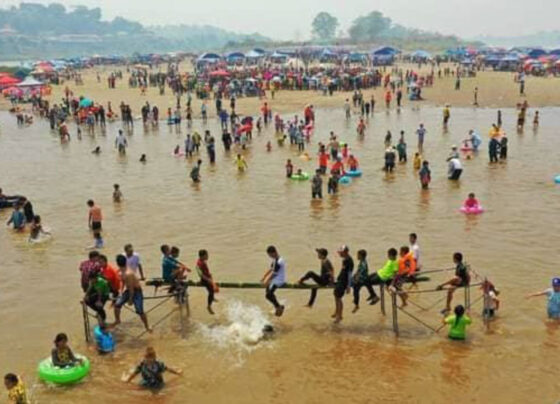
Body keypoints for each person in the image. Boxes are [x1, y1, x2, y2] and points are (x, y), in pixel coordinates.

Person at [114, 254, 151, 332]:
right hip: (128, 290)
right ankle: (117, 320)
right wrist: (121, 292)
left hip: (136, 291)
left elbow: (131, 288)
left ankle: (147, 326)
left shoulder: (128, 273)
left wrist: (130, 300)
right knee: (117, 304)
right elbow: (123, 282)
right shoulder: (120, 272)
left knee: (139, 310)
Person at [261, 246, 286, 317]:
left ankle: (278, 307)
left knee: (268, 295)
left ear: (273, 253)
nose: (270, 256)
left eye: (270, 255)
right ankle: (279, 306)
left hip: (278, 281)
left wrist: (266, 280)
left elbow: (274, 273)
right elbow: (271, 269)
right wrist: (264, 277)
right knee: (268, 293)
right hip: (275, 279)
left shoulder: (279, 261)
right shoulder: (275, 260)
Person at [332, 245, 354, 323]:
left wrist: (348, 286)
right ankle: (336, 312)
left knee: (339, 298)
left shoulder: (349, 261)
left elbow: (349, 274)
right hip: (340, 280)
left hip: (343, 281)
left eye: (341, 252)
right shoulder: (345, 260)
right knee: (336, 295)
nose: (339, 254)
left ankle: (339, 316)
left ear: (345, 252)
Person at [196, 249, 218, 315]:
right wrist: (208, 280)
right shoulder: (200, 263)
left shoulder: (202, 261)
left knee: (212, 290)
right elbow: (200, 274)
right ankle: (209, 306)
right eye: (206, 255)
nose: (208, 256)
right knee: (211, 291)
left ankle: (212, 298)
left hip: (207, 278)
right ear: (203, 256)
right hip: (205, 280)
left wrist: (209, 276)